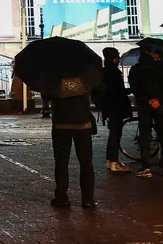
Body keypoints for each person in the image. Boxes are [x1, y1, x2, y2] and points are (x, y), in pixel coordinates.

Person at [49, 64, 103, 208]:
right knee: (86, 162)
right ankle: (88, 199)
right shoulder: (85, 76)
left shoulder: (54, 78)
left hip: (61, 124)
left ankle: (61, 196)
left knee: (61, 162)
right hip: (82, 123)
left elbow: (46, 96)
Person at [128, 47, 163, 178]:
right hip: (161, 105)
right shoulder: (162, 68)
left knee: (146, 136)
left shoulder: (136, 70)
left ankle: (146, 167)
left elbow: (135, 88)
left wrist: (148, 100)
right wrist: (159, 100)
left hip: (144, 106)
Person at [94, 47, 132, 173]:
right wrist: (129, 91)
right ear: (114, 58)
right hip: (116, 106)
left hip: (108, 106)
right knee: (116, 133)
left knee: (113, 133)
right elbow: (118, 91)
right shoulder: (114, 72)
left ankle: (111, 160)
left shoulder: (103, 72)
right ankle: (114, 161)